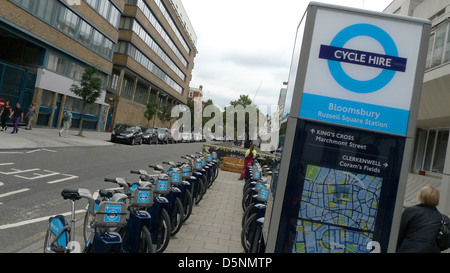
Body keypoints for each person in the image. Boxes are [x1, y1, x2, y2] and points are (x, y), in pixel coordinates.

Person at [397, 185, 450, 253]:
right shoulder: (444, 219)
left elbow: (399, 234)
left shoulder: (410, 211)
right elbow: (446, 243)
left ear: (421, 196)